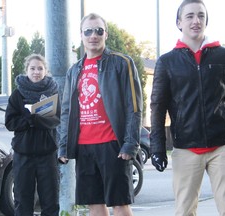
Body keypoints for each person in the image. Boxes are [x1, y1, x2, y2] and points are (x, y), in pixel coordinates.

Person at [150, 0, 225, 215]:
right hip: (186, 148)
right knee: (184, 211)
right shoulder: (167, 62)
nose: (196, 21)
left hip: (222, 146)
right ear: (179, 22)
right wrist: (157, 148)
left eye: (201, 16)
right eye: (190, 16)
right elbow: (158, 107)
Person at [58, 13, 142, 216]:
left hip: (113, 145)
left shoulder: (122, 63)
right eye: (88, 31)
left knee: (120, 204)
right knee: (94, 204)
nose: (93, 35)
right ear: (81, 35)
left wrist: (130, 143)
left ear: (106, 34)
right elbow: (67, 110)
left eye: (98, 31)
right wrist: (63, 146)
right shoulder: (74, 70)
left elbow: (135, 106)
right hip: (84, 146)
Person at [5, 54, 60, 216]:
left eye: (40, 68)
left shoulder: (53, 92)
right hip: (23, 155)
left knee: (50, 201)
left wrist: (36, 119)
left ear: (46, 70)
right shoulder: (17, 94)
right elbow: (10, 123)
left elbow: (56, 119)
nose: (36, 72)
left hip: (47, 154)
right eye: (33, 68)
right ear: (27, 70)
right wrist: (28, 120)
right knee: (23, 200)